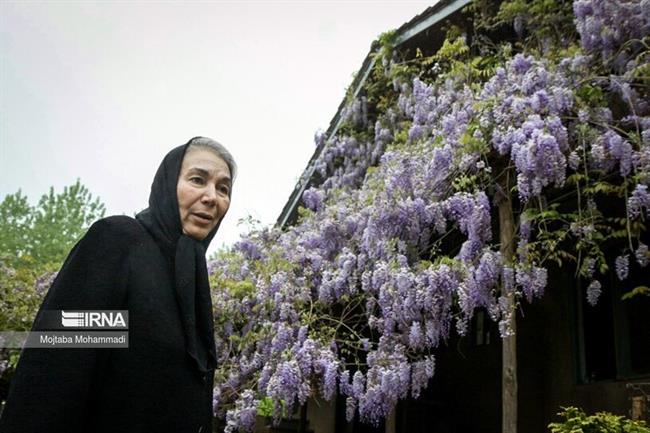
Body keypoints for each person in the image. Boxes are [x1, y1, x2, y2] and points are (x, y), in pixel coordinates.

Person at [0, 136, 235, 433]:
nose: (212, 196)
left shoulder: (191, 282)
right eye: (198, 179)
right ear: (166, 186)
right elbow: (54, 374)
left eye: (223, 188)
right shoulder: (120, 245)